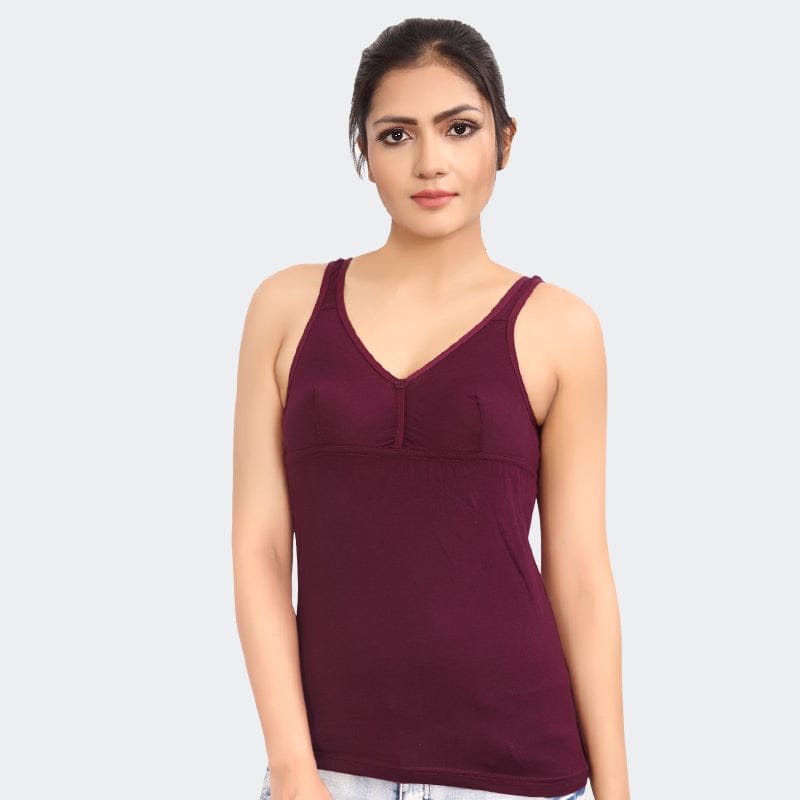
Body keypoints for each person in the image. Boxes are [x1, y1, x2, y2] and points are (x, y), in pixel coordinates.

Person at [232, 17, 630, 800]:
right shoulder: (287, 308)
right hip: (327, 767)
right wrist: (292, 768)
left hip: (517, 768)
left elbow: (581, 575)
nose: (429, 161)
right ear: (363, 151)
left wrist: (617, 793)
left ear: (504, 141)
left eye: (459, 128)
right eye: (396, 134)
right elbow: (260, 550)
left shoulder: (561, 328)